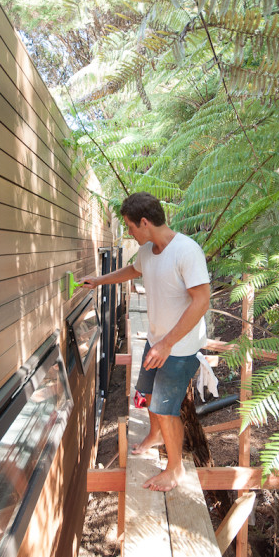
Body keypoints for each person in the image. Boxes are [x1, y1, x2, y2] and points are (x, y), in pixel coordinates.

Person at [81, 192, 210, 492]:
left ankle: (175, 469)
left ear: (144, 221)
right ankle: (156, 434)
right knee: (147, 394)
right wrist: (99, 281)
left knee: (166, 408)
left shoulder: (187, 252)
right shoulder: (148, 250)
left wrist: (167, 345)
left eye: (129, 226)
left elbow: (201, 301)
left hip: (180, 347)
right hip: (157, 340)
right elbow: (133, 270)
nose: (128, 232)